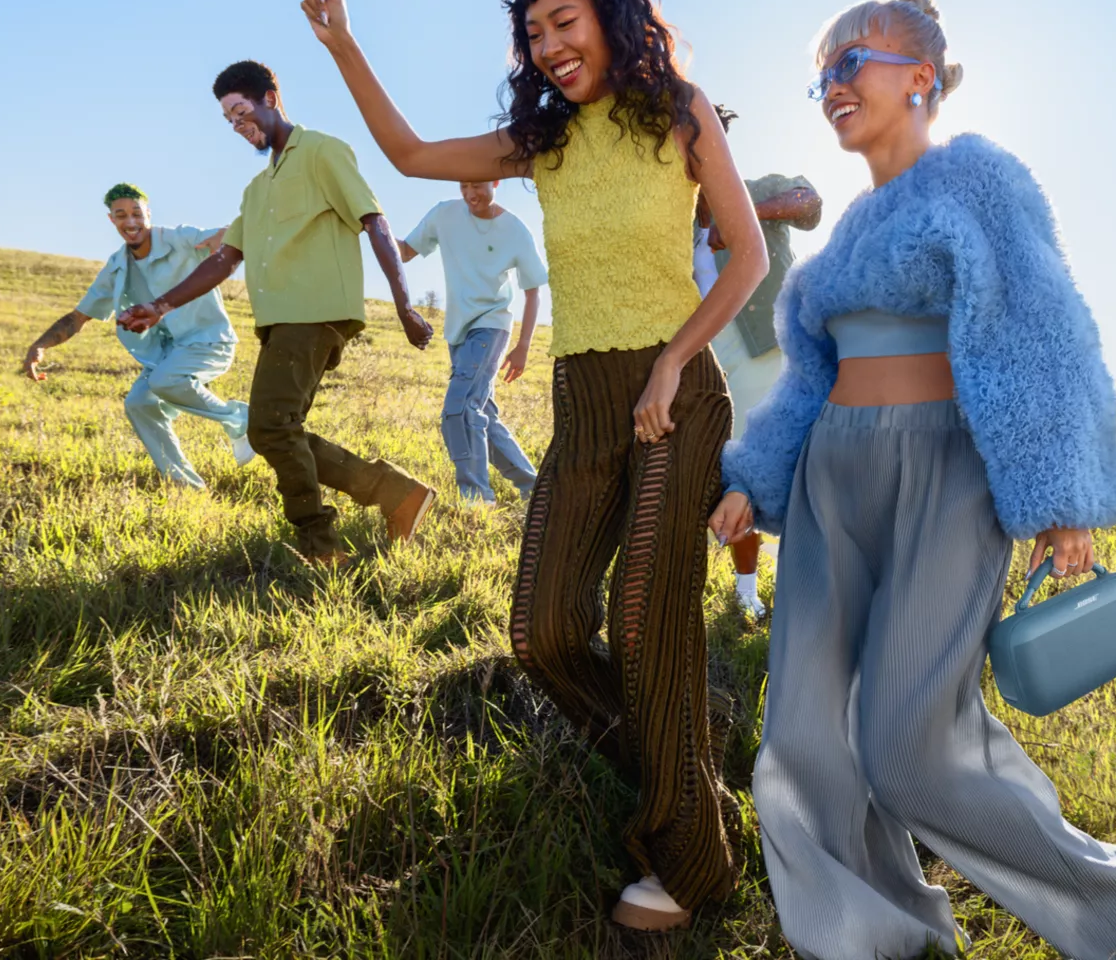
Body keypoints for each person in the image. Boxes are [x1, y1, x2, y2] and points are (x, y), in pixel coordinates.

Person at [710, 3, 1116, 958]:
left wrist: (1058, 499)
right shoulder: (848, 233)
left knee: (906, 745)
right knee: (804, 735)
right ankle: (872, 936)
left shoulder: (981, 179)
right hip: (831, 485)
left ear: (921, 73)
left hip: (944, 477)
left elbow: (1043, 329)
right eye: (821, 74)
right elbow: (808, 378)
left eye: (852, 61)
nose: (834, 84)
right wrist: (756, 482)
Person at [298, 0, 766, 931]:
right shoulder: (539, 141)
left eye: (565, 21)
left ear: (615, 18)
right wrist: (344, 44)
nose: (550, 46)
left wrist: (673, 362)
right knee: (542, 629)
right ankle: (683, 770)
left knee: (642, 624)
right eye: (534, 35)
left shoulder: (679, 108)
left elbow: (747, 259)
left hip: (677, 395)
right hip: (584, 404)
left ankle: (692, 864)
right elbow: (411, 157)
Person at [119, 60, 437, 566]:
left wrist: (405, 306)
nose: (237, 125)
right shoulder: (257, 188)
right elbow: (226, 259)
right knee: (278, 428)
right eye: (228, 119)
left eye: (241, 111)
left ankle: (321, 544)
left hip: (316, 316)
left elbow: (375, 223)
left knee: (269, 428)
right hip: (281, 323)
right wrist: (160, 306)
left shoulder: (322, 152)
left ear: (272, 98)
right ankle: (395, 492)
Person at [19, 183, 251, 489]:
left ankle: (242, 422)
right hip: (167, 354)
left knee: (164, 382)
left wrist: (223, 234)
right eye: (121, 215)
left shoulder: (179, 239)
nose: (131, 222)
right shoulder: (117, 267)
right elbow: (78, 317)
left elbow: (231, 234)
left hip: (208, 341)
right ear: (111, 220)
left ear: (148, 213)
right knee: (139, 403)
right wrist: (40, 346)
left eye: (137, 213)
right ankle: (185, 485)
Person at [689, 105, 823, 621]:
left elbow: (809, 203)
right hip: (710, 366)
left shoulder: (762, 185)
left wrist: (742, 215)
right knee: (736, 474)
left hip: (772, 351)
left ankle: (812, 587)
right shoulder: (677, 222)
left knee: (800, 469)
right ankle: (748, 592)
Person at [399, 181, 546, 504]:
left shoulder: (515, 230)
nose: (470, 194)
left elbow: (533, 290)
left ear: (495, 181)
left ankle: (476, 497)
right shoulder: (445, 214)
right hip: (458, 330)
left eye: (478, 185)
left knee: (461, 408)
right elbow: (405, 252)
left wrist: (523, 346)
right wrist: (368, 227)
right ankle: (537, 489)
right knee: (482, 414)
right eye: (464, 187)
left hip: (492, 326)